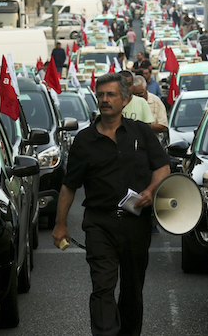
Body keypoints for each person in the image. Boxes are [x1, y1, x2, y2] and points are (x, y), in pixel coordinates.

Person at [52, 72, 170, 336]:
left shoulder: (142, 132)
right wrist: (61, 225)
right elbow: (69, 186)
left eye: (111, 95)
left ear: (125, 100)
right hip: (99, 224)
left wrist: (152, 190)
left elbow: (162, 167)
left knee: (132, 290)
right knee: (102, 287)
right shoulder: (84, 140)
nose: (105, 100)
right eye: (101, 94)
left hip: (136, 224)